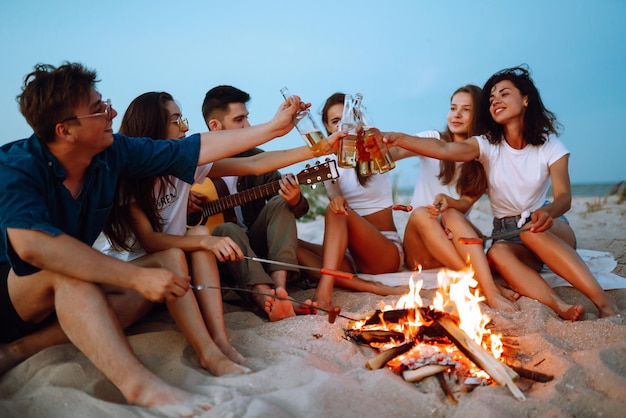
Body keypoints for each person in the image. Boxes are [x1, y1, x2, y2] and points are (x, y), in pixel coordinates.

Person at [0, 62, 303, 410]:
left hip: (61, 302)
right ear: (65, 130)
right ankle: (140, 388)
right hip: (12, 291)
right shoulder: (16, 166)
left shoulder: (111, 153)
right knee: (72, 274)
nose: (111, 112)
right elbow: (32, 247)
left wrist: (277, 129)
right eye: (99, 109)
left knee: (156, 271)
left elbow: (195, 148)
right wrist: (135, 276)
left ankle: (18, 351)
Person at [384, 65, 619, 320]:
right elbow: (445, 149)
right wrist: (397, 138)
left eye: (504, 94)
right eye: (492, 97)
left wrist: (548, 212)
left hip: (549, 226)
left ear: (526, 99)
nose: (496, 100)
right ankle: (558, 305)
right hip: (506, 233)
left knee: (532, 231)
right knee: (495, 253)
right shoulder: (487, 145)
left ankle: (605, 304)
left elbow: (564, 197)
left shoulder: (550, 144)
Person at [196, 86, 324, 320]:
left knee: (279, 202)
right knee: (226, 229)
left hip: (257, 250)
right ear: (215, 126)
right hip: (219, 258)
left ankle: (279, 288)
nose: (248, 126)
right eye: (239, 119)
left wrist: (295, 199)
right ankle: (262, 295)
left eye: (247, 117)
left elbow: (300, 210)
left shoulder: (256, 157)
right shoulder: (198, 164)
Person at [392, 85, 519, 311]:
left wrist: (449, 203)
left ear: (478, 115)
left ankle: (487, 290)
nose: (456, 115)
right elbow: (396, 152)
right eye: (453, 108)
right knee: (422, 212)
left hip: (453, 244)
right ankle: (482, 284)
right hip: (421, 250)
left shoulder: (482, 155)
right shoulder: (432, 139)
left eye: (466, 110)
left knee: (451, 212)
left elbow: (466, 203)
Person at [296, 92, 409, 310]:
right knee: (289, 243)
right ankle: (368, 286)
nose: (342, 126)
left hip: (383, 255)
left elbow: (418, 145)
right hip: (348, 257)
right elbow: (333, 190)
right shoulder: (327, 161)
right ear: (328, 129)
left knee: (337, 210)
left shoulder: (376, 151)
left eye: (347, 119)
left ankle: (324, 291)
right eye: (335, 122)